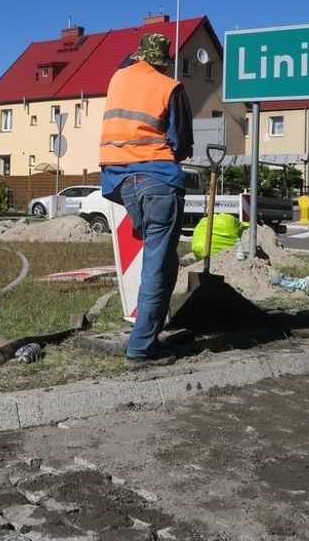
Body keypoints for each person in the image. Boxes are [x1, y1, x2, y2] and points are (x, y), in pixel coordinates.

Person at [99, 33, 194, 367]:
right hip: (158, 181)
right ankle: (140, 349)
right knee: (158, 264)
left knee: (163, 264)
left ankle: (149, 338)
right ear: (163, 61)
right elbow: (181, 143)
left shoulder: (118, 79)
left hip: (122, 183)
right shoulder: (169, 86)